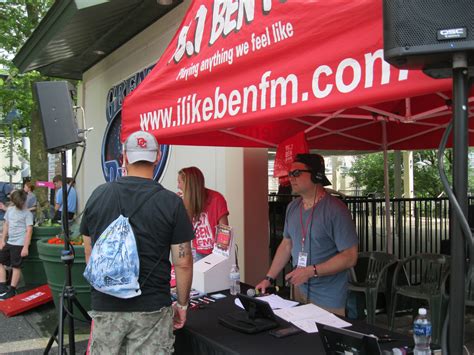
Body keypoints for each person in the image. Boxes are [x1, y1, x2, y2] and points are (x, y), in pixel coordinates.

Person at [81, 131, 194, 354]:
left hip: (107, 305)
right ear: (157, 157)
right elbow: (183, 263)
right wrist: (181, 305)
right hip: (151, 309)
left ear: (123, 156)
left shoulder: (99, 195)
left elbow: (89, 252)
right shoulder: (171, 203)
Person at [255, 153, 358, 316]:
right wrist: (269, 278)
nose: (291, 178)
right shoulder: (293, 207)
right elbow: (287, 244)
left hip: (328, 297)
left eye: (296, 173)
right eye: (289, 174)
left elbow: (350, 256)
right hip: (298, 291)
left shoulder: (336, 210)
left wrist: (312, 271)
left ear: (316, 175)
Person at [178, 166, 229, 261]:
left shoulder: (216, 198)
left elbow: (224, 231)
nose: (178, 186)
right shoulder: (184, 202)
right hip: (197, 253)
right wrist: (181, 207)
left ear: (189, 185)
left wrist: (219, 258)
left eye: (179, 182)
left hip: (217, 254)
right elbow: (184, 232)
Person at [0, 190, 33, 300]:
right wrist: (2, 240)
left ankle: (12, 290)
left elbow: (29, 231)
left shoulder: (28, 214)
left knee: (16, 266)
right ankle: (3, 285)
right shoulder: (9, 210)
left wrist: (25, 247)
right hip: (9, 242)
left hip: (19, 244)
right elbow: (6, 225)